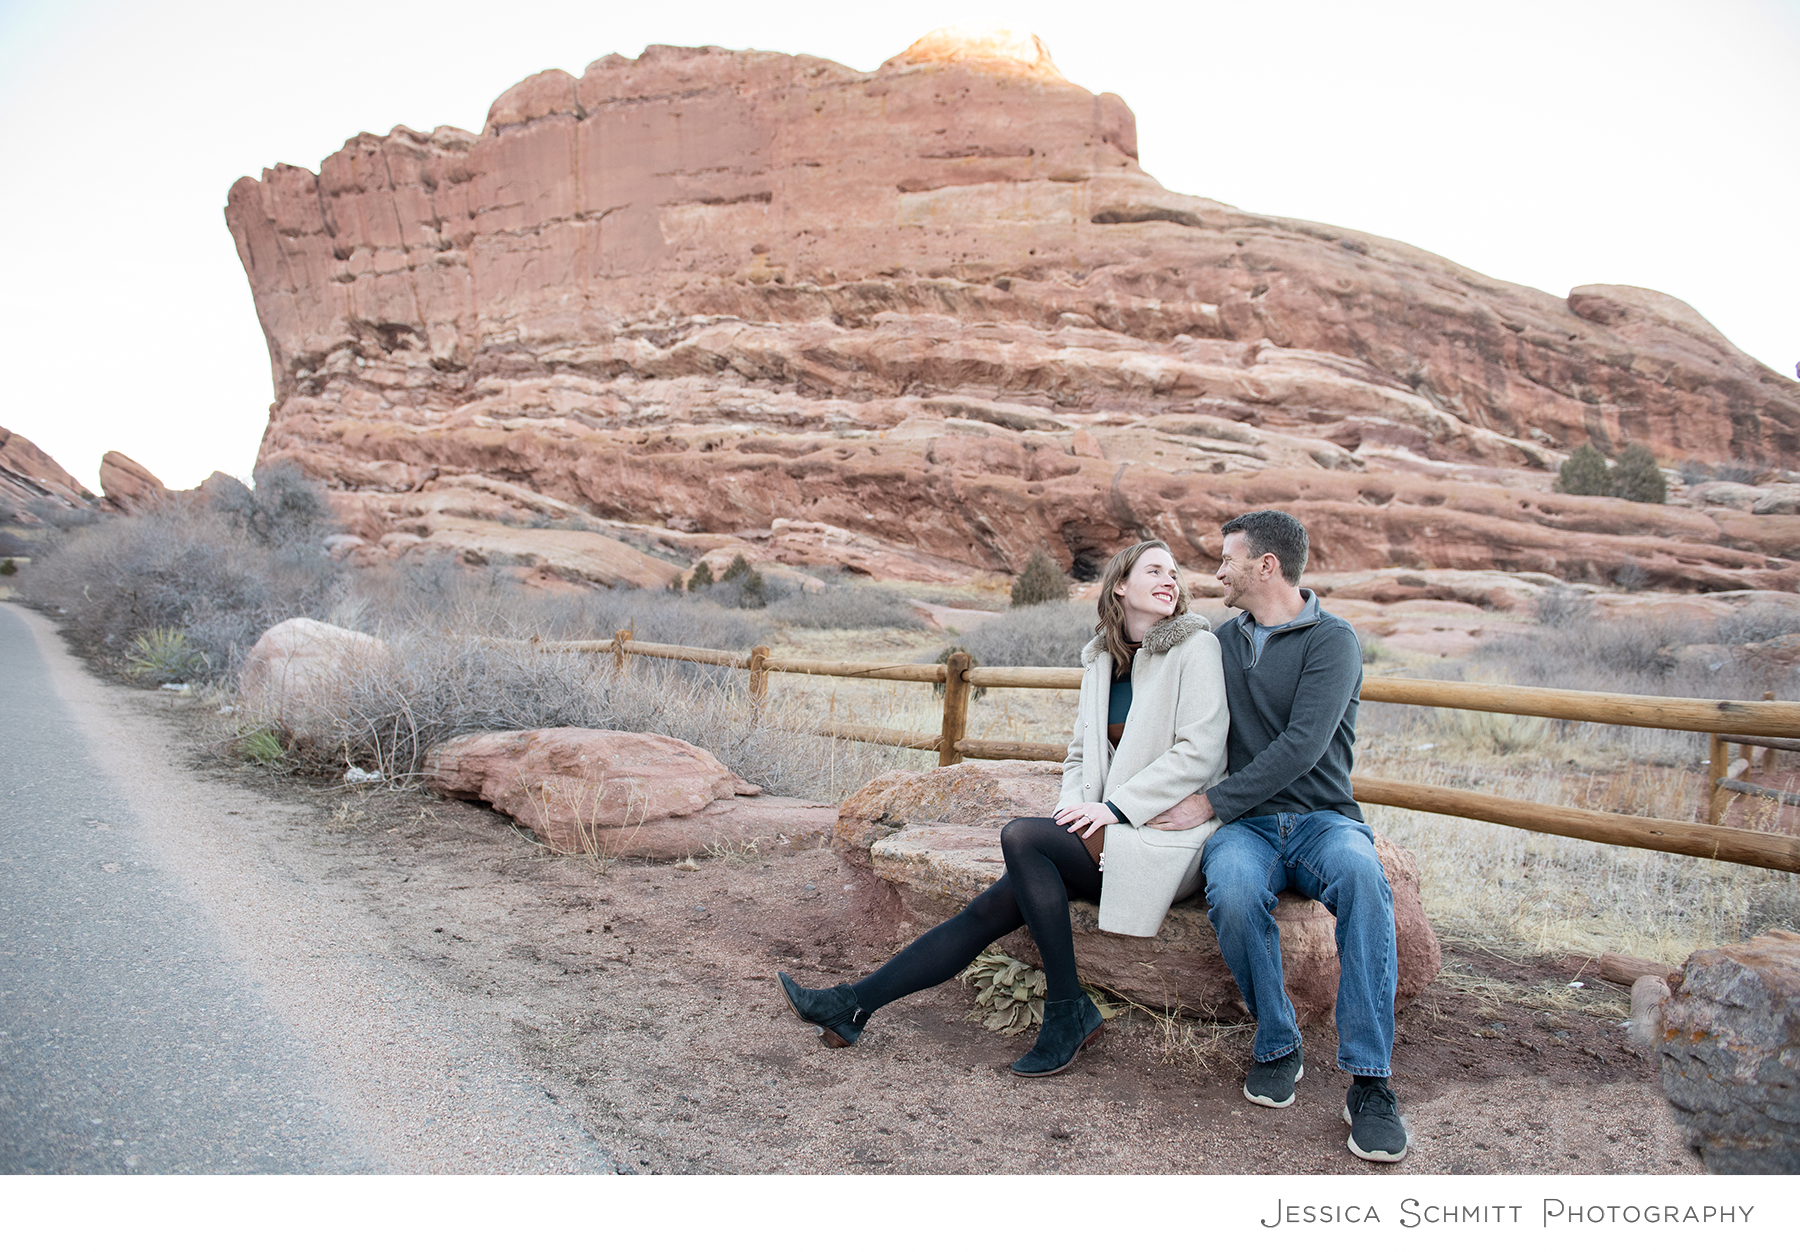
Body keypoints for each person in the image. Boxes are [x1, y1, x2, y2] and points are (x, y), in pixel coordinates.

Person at [778, 539, 1229, 1077]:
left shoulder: (1195, 648)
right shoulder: (1102, 659)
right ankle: (852, 1006)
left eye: (1174, 573)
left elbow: (1200, 752)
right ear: (1120, 587)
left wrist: (1114, 810)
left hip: (1164, 837)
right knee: (990, 909)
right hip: (1108, 834)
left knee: (1021, 837)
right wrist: (1074, 813)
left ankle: (1067, 1008)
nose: (1169, 580)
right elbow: (1080, 754)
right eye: (1154, 570)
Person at [1149, 509, 1408, 1162]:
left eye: (1226, 558)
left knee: (1361, 877)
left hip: (1325, 821)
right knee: (1232, 886)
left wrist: (1209, 801)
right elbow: (1164, 677)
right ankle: (1277, 1039)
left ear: (1266, 565)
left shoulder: (1334, 642)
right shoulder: (1221, 642)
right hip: (1251, 830)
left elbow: (1301, 746)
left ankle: (1371, 1081)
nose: (1217, 571)